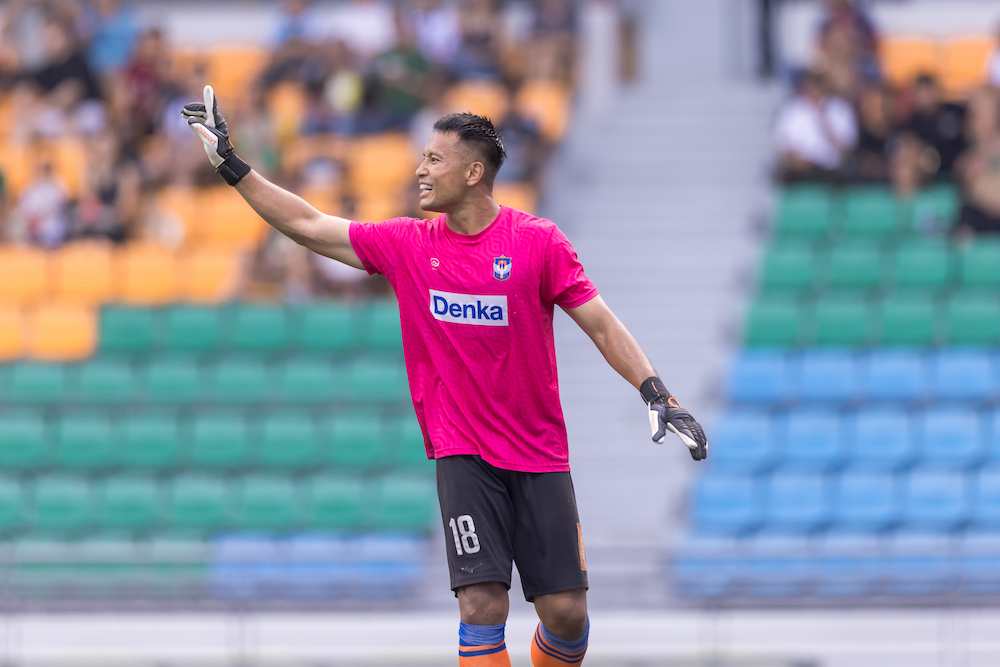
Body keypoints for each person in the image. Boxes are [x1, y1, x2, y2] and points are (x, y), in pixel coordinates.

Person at [182, 85, 707, 666]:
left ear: (474, 172)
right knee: (482, 604)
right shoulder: (408, 243)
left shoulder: (538, 242)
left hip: (539, 453)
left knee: (566, 615)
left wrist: (656, 392)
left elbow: (603, 325)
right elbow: (309, 224)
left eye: (434, 159)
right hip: (463, 453)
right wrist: (233, 167)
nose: (420, 169)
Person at [773, 69, 858, 183]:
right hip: (799, 170)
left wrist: (824, 120)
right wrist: (796, 159)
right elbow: (782, 145)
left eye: (817, 85)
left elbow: (847, 147)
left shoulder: (840, 109)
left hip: (833, 172)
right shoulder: (792, 109)